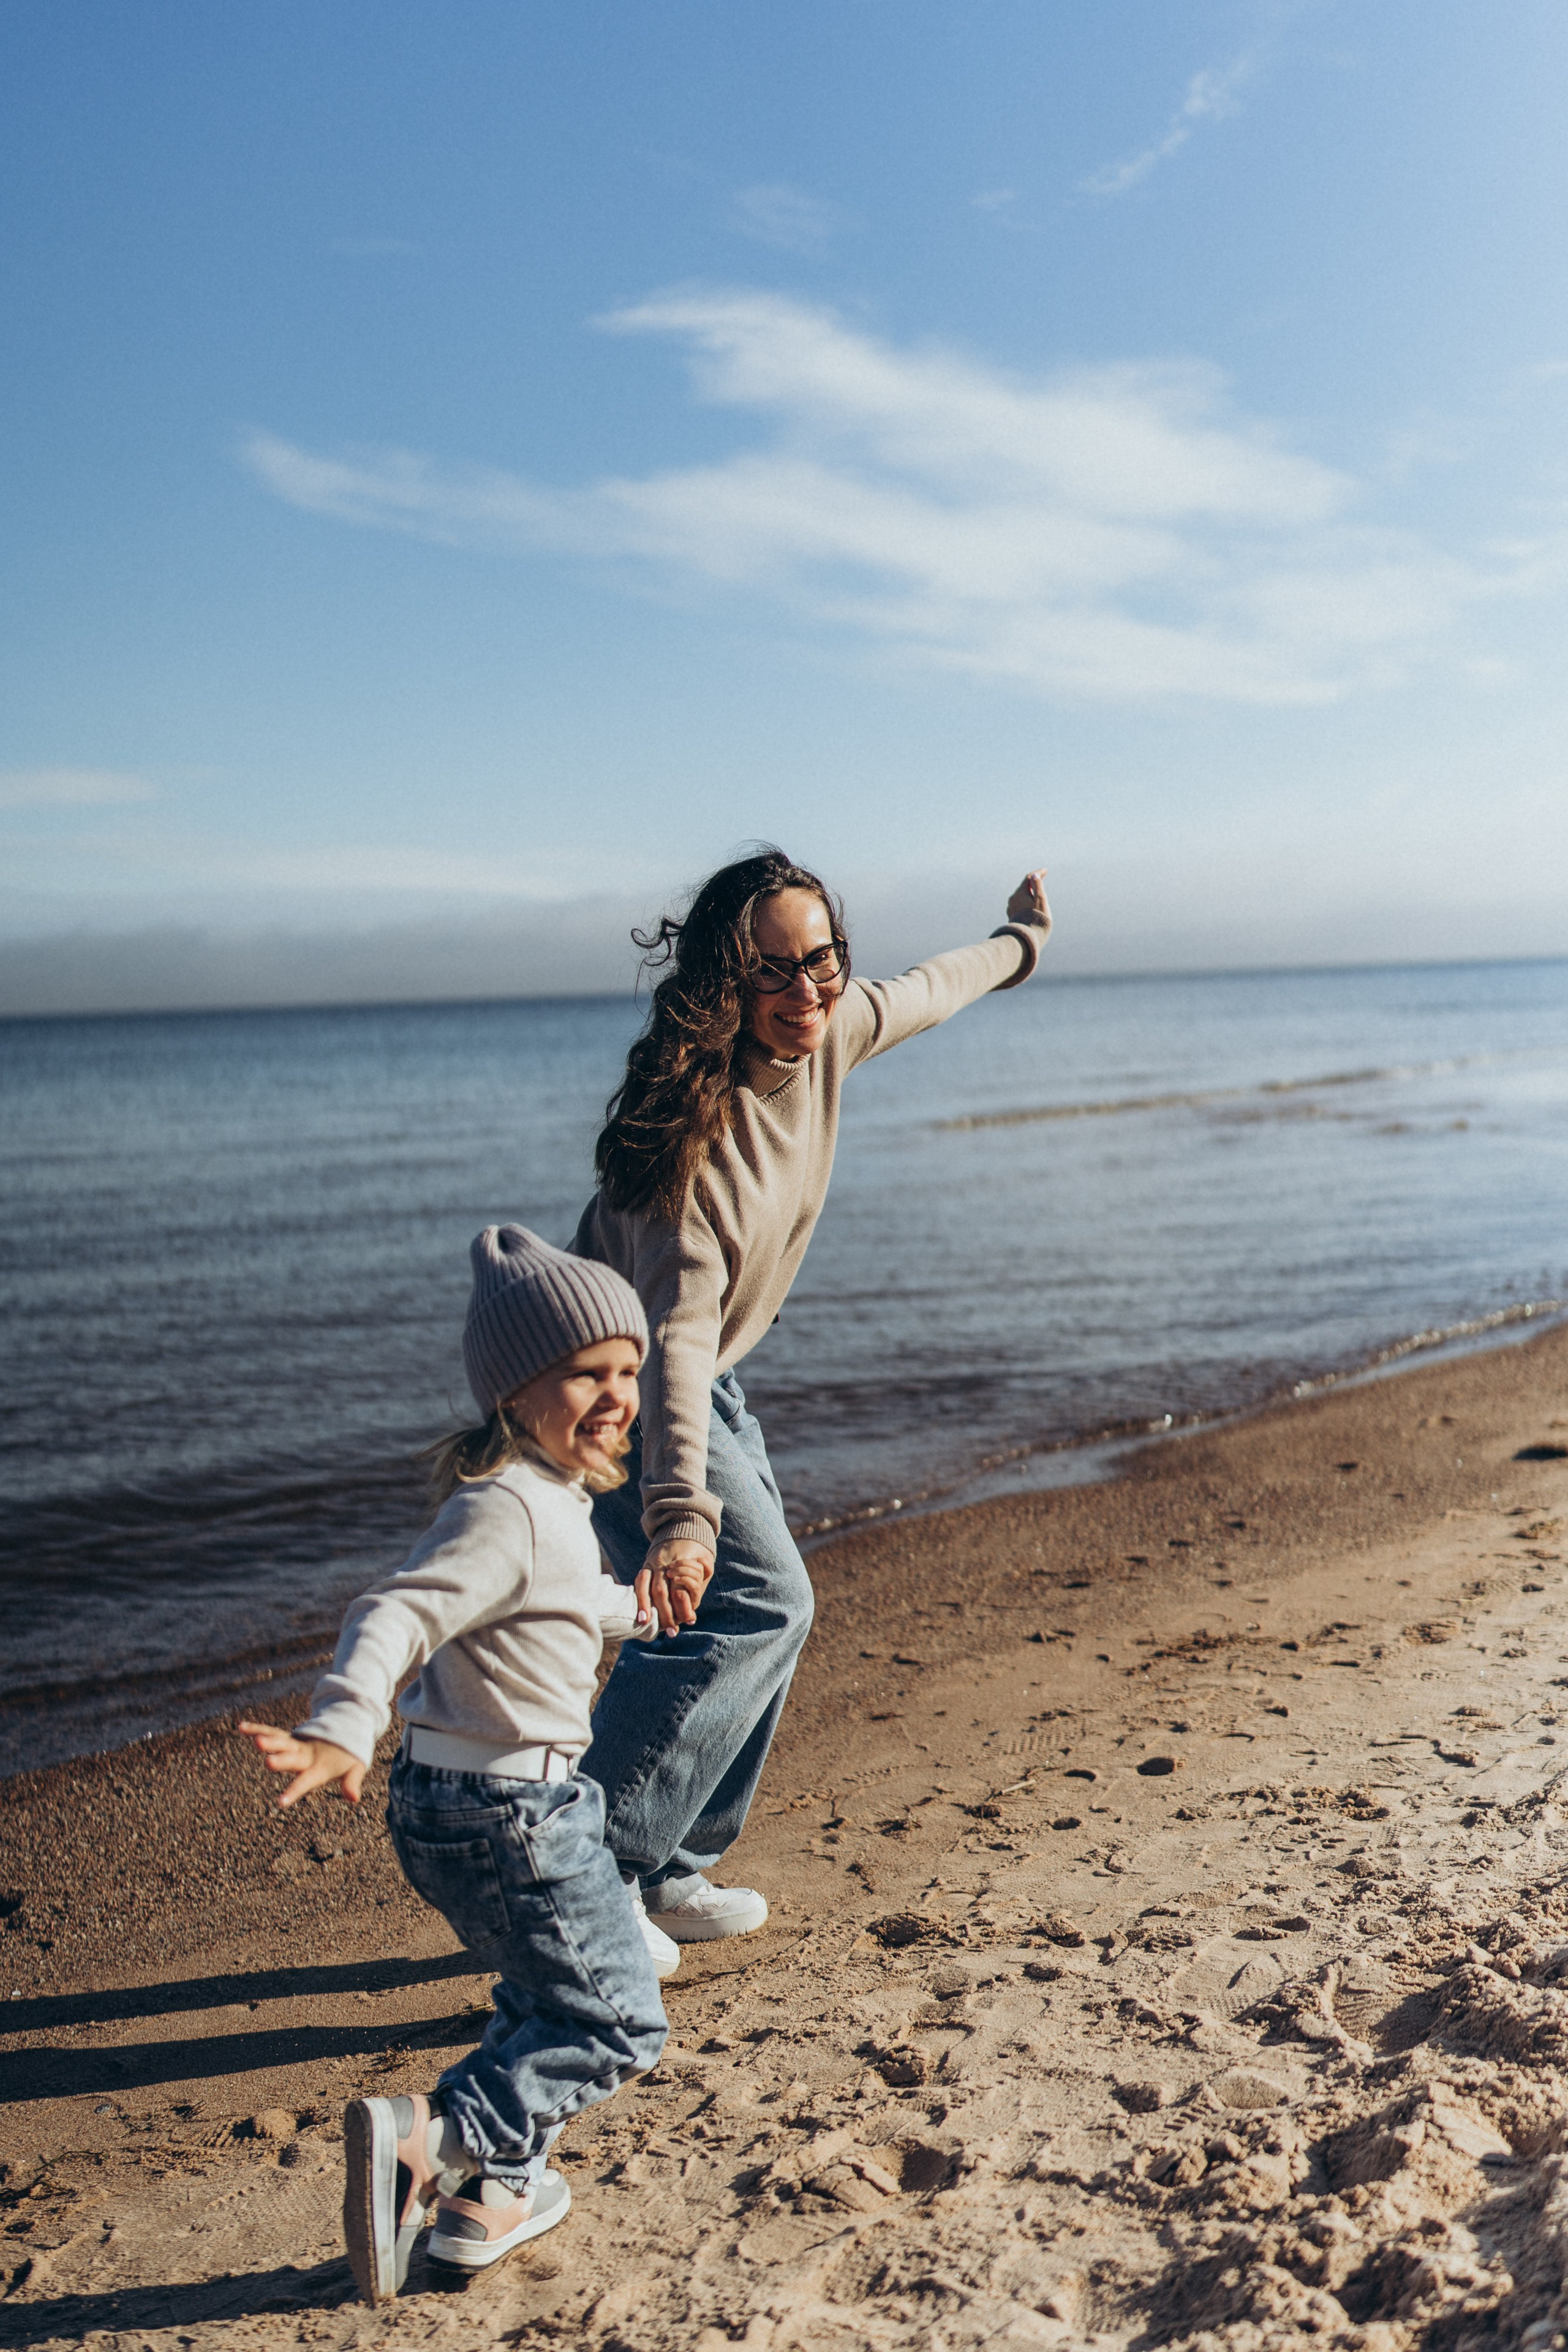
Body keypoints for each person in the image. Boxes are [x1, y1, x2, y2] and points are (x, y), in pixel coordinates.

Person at [575, 848, 1052, 1944]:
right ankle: (588, 1882)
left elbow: (934, 988)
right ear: (723, 985)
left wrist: (1021, 942)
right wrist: (678, 1519)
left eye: (822, 963)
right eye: (773, 974)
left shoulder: (832, 1031)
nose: (806, 995)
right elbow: (674, 1347)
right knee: (760, 1602)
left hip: (701, 1374)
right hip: (612, 1391)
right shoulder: (694, 1156)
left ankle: (667, 1866)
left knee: (743, 1619)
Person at [238, 1226, 691, 2305]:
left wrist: (636, 1610)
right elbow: (396, 1612)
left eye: (629, 1370)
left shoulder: (549, 1508)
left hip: (458, 1805)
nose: (619, 1393)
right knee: (621, 2021)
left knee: (542, 1995)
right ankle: (436, 2139)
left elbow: (562, 1601)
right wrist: (346, 1722)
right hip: (514, 1810)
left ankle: (487, 2200)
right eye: (588, 1373)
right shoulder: (504, 1510)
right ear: (515, 1394)